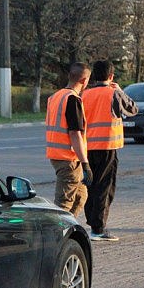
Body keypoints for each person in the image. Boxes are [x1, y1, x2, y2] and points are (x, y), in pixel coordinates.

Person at [82, 60, 138, 241]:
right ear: (111, 76)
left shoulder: (85, 94)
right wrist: (120, 90)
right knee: (104, 188)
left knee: (90, 186)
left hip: (87, 147)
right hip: (107, 147)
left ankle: (91, 222)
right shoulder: (114, 93)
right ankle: (98, 229)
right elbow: (133, 109)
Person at [45, 62, 94, 216]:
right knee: (63, 204)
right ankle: (57, 235)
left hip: (57, 156)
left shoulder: (55, 97)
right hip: (68, 160)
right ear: (84, 80)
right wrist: (85, 163)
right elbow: (75, 134)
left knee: (80, 196)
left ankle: (68, 229)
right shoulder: (72, 100)